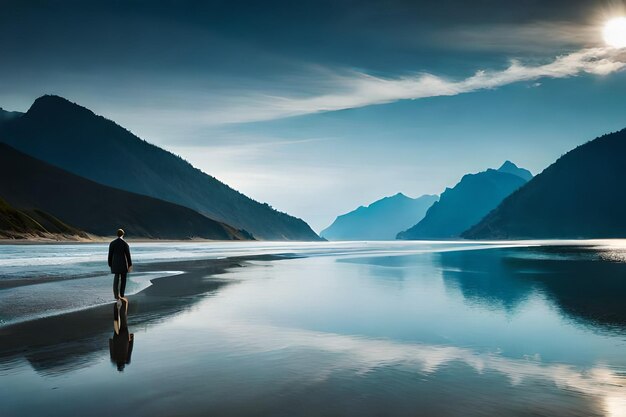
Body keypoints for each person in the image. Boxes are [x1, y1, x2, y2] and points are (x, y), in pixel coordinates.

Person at [108, 228, 132, 301]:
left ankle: (116, 295)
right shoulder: (125, 243)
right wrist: (130, 264)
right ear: (123, 234)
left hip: (114, 263)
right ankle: (122, 295)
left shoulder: (112, 243)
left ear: (117, 234)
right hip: (123, 263)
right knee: (123, 279)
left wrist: (109, 263)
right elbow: (128, 255)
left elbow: (110, 255)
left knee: (116, 278)